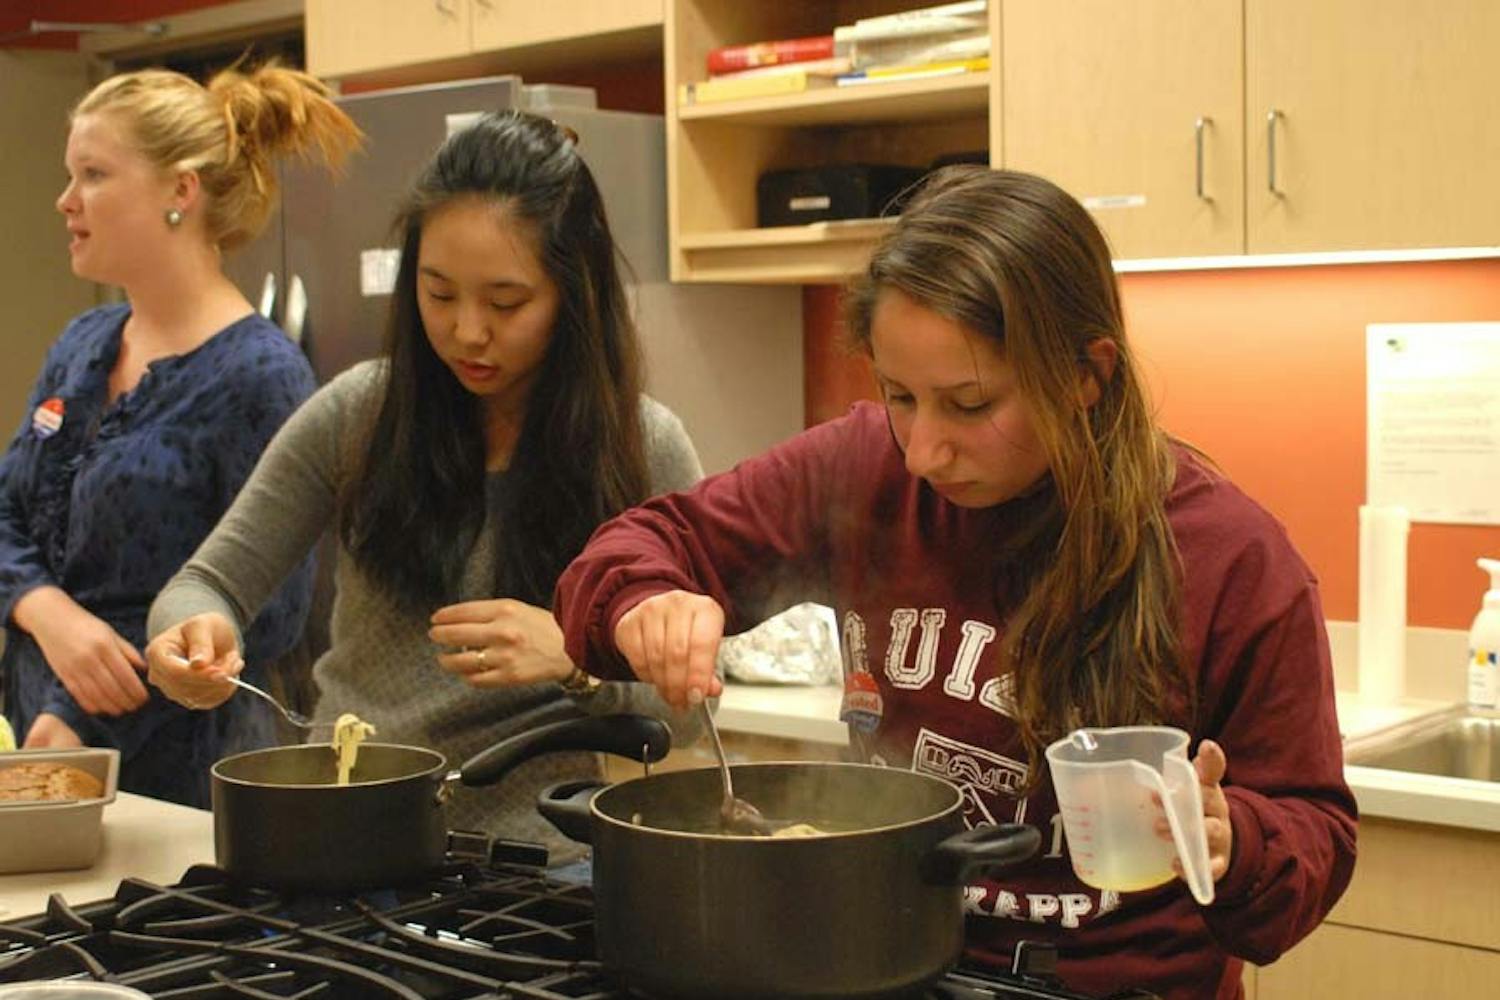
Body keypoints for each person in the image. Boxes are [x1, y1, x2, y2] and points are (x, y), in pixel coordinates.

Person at [553, 167, 1358, 998]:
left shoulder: (1230, 558)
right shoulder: (861, 469)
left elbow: (1316, 833)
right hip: (889, 968)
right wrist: (645, 601)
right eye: (900, 395)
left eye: (969, 404)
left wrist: (1238, 840)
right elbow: (639, 546)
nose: (922, 451)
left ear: (1088, 376)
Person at [144, 111, 703, 854]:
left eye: (506, 303)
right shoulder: (359, 414)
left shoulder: (640, 447)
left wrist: (578, 660)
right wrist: (186, 637)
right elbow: (205, 584)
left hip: (537, 869)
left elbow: (693, 710)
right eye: (439, 294)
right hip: (346, 837)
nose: (468, 331)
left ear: (575, 294)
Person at [0, 63, 361, 808]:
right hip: (42, 753)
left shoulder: (260, 375)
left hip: (184, 779)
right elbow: (4, 515)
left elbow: (266, 611)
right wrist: (49, 613)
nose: (66, 201)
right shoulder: (83, 343)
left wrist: (80, 714)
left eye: (94, 174)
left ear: (180, 191)